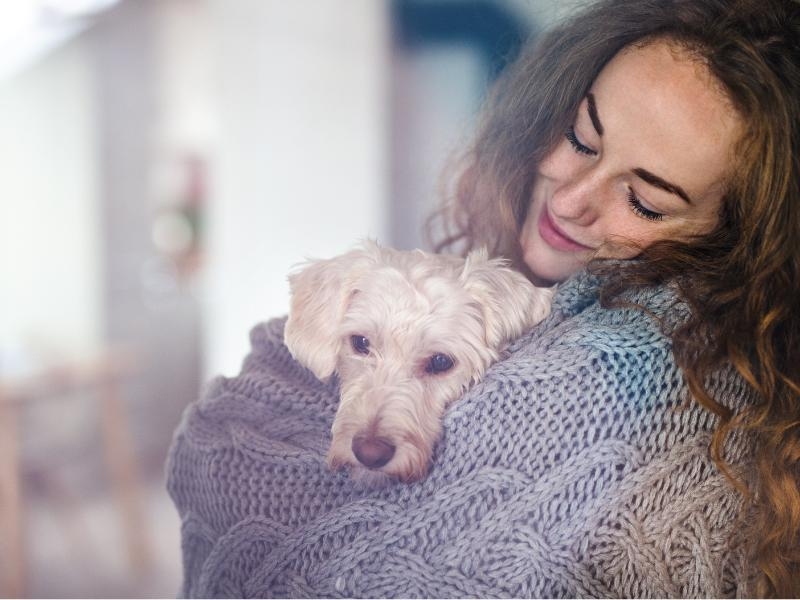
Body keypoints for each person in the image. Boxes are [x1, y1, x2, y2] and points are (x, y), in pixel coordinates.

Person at [166, 0, 800, 596]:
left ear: (737, 243)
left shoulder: (625, 373)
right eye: (581, 137)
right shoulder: (498, 285)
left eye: (645, 200)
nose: (570, 201)